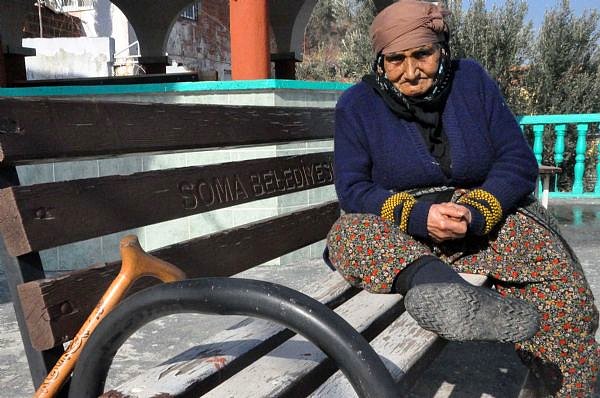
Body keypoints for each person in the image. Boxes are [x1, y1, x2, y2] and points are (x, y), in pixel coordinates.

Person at [324, 0, 599, 396]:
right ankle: (440, 291)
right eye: (396, 60)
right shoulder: (356, 106)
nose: (411, 70)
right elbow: (352, 189)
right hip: (404, 235)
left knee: (563, 292)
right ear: (380, 62)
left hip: (480, 221)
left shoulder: (470, 81)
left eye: (423, 54)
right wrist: (420, 216)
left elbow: (516, 160)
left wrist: (477, 210)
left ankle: (562, 387)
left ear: (442, 49)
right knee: (349, 234)